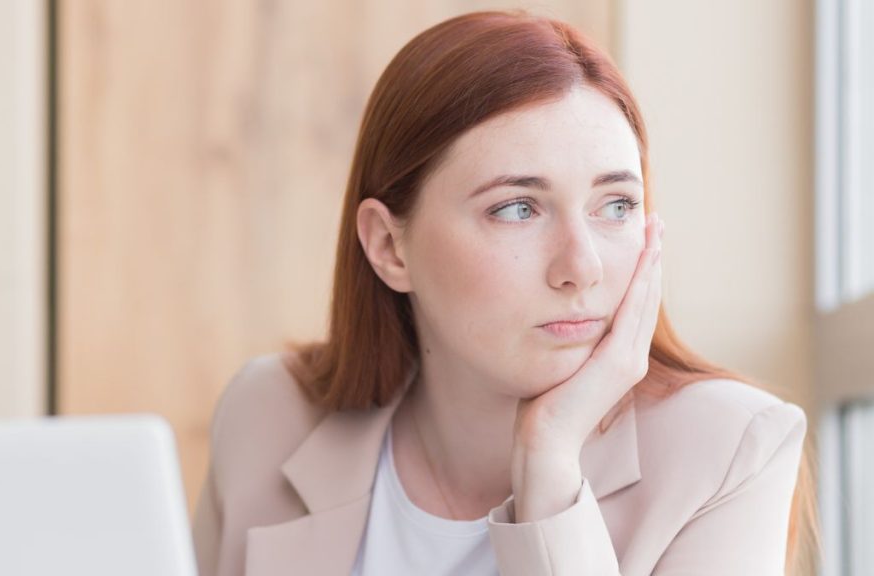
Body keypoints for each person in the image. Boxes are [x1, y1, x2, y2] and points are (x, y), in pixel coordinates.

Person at [192, 9, 818, 576]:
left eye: (616, 205)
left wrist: (550, 465)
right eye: (518, 208)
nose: (582, 267)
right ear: (388, 246)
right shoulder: (267, 413)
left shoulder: (728, 447)